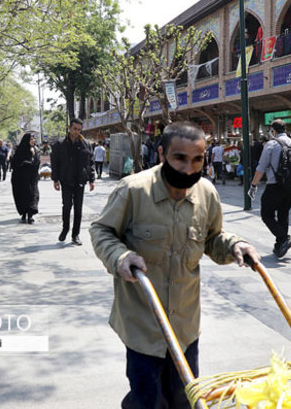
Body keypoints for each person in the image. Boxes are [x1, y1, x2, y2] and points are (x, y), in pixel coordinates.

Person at [90, 121, 259, 409]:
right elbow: (101, 230)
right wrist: (121, 257)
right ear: (161, 154)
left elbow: (212, 239)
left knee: (185, 398)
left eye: (197, 159)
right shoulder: (132, 190)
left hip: (185, 327)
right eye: (179, 158)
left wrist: (234, 245)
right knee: (148, 399)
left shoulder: (207, 193)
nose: (189, 168)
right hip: (143, 326)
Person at [249, 119, 291, 258]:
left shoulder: (271, 144)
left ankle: (284, 238)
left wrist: (253, 185)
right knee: (283, 214)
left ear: (273, 131)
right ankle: (280, 246)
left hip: (275, 185)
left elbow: (261, 167)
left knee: (266, 214)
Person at [51, 118, 95, 245]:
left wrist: (92, 179)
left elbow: (90, 163)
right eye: (74, 129)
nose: (76, 132)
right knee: (67, 206)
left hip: (80, 180)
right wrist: (55, 179)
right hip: (66, 180)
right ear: (69, 128)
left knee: (78, 209)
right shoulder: (60, 144)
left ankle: (75, 235)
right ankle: (65, 229)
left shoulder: (85, 144)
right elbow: (55, 163)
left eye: (79, 130)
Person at [11, 132, 40, 224]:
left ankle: (30, 215)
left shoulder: (35, 149)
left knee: (33, 195)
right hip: (21, 178)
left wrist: (32, 156)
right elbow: (14, 164)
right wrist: (24, 163)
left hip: (32, 178)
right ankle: (24, 214)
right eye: (31, 139)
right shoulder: (20, 150)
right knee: (22, 196)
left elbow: (37, 162)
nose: (33, 141)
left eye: (33, 139)